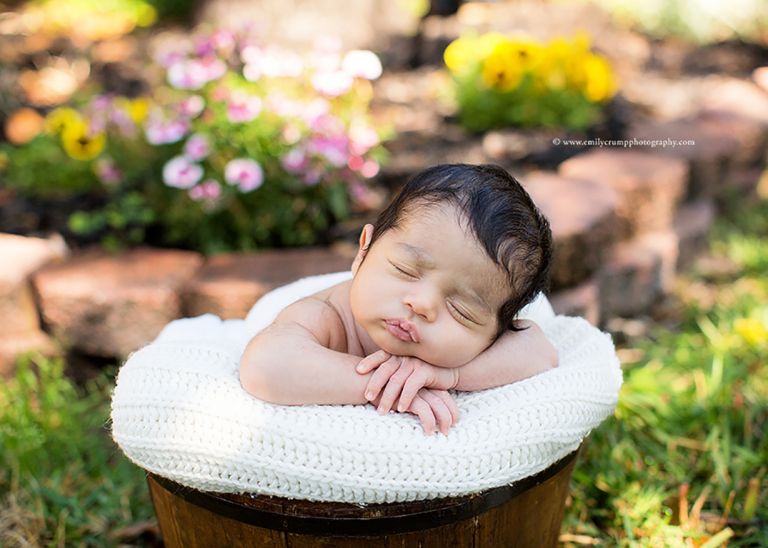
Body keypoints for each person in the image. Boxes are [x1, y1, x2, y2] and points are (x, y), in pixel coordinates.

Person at [239, 163, 558, 435]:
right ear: (363, 251)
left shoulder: (479, 345)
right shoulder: (325, 315)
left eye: (460, 308)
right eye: (406, 270)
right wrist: (382, 385)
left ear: (495, 332)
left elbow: (540, 351)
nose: (421, 304)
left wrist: (449, 375)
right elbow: (265, 366)